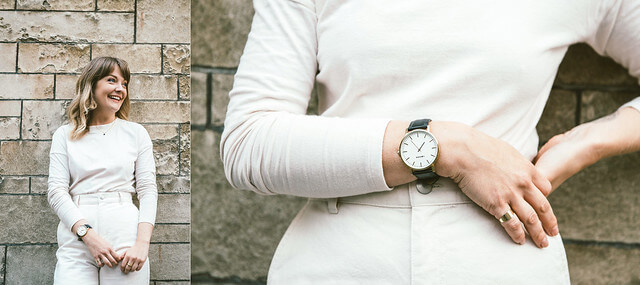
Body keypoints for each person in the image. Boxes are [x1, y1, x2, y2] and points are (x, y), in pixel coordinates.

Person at [221, 0, 640, 283]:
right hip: (339, 264)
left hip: (503, 260)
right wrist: (444, 146)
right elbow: (249, 141)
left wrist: (585, 143)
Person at [48, 57, 158, 284]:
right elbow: (57, 192)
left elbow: (147, 190)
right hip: (76, 235)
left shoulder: (136, 133)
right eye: (112, 80)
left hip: (125, 233)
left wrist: (142, 244)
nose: (120, 88)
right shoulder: (64, 134)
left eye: (124, 83)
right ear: (92, 84)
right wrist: (87, 235)